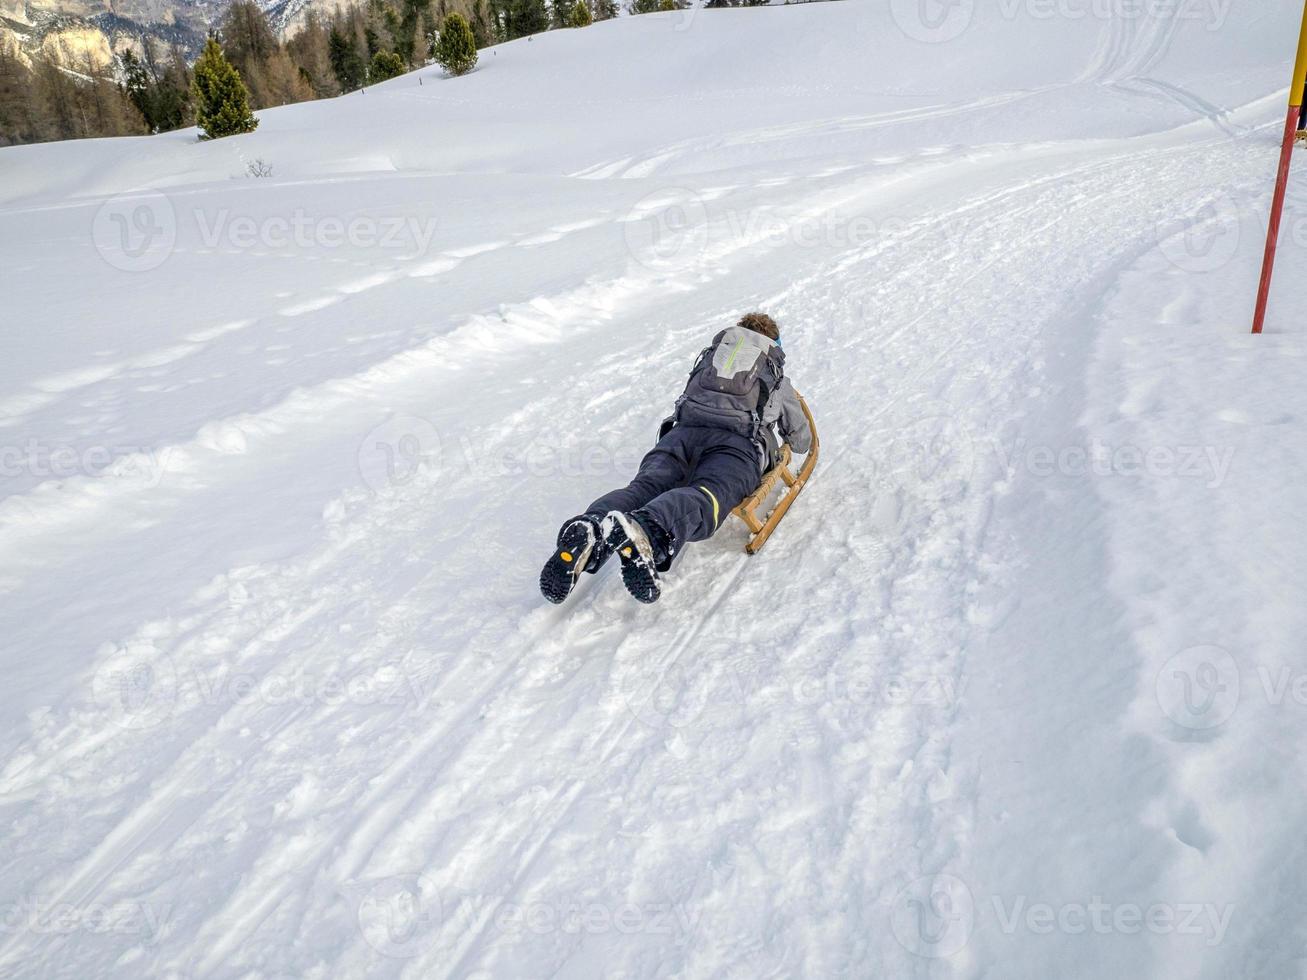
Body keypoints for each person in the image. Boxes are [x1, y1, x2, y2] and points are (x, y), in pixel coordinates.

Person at [540, 312, 812, 605]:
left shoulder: (712, 361)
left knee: (644, 488)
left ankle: (591, 525)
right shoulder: (777, 379)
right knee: (707, 494)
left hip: (680, 436)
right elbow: (800, 441)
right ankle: (648, 528)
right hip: (735, 448)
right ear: (773, 345)